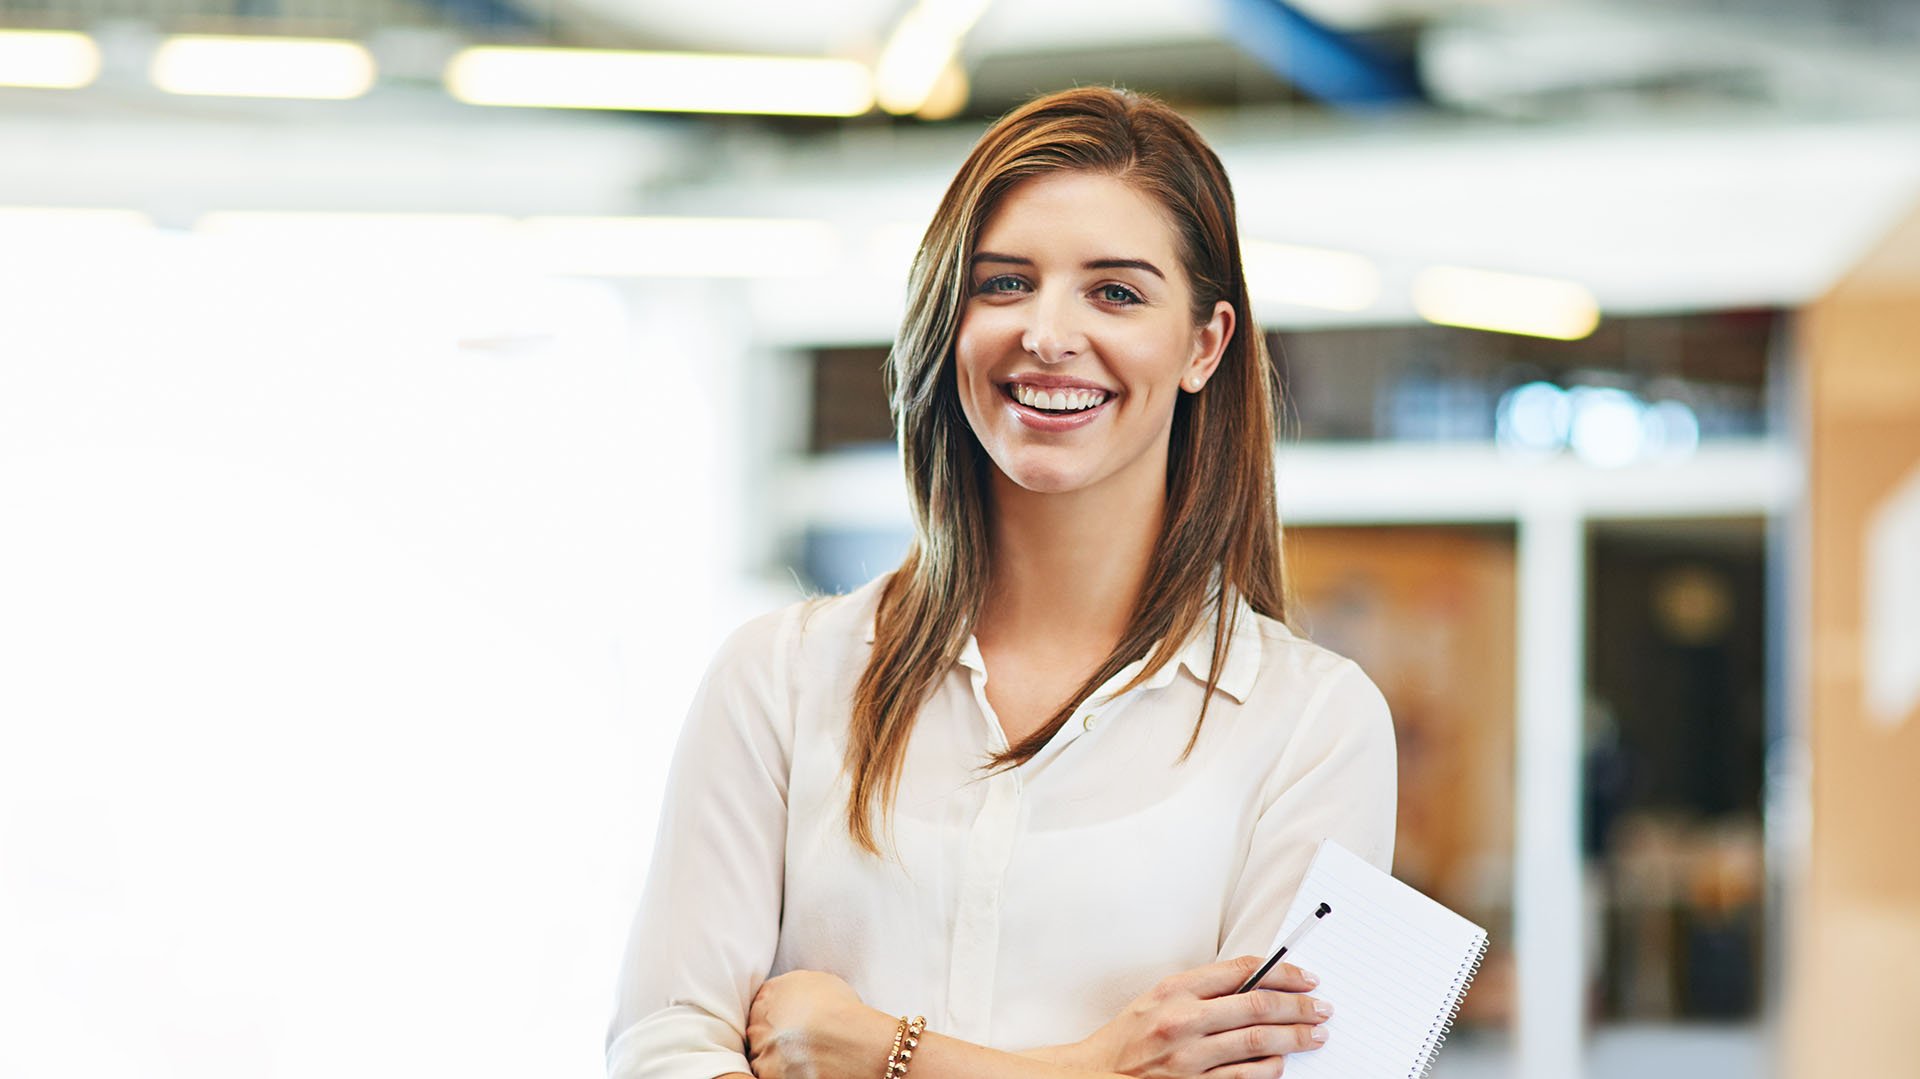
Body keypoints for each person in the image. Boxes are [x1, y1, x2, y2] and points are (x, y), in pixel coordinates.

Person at [606, 86, 1397, 1079]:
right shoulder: (779, 679)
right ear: (950, 319)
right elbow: (666, 1049)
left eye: (1116, 292)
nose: (1049, 334)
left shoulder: (1315, 726)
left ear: (1204, 344)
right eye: (1004, 283)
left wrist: (883, 1051)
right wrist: (1103, 1065)